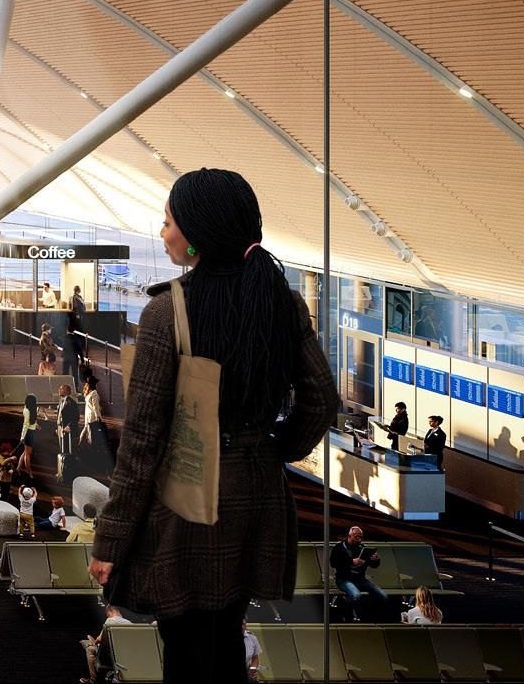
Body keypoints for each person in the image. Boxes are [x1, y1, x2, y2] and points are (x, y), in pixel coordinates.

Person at [88, 169, 339, 684]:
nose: (162, 234)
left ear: (198, 231)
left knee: (185, 640)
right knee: (226, 630)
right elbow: (321, 401)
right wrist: (274, 448)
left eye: (168, 223)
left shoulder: (167, 312)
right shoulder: (280, 301)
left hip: (189, 500)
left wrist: (109, 543)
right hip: (256, 494)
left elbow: (142, 444)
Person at [331, 525, 388, 620]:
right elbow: (333, 563)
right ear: (349, 535)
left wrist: (376, 560)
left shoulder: (363, 548)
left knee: (382, 595)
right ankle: (344, 614)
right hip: (344, 579)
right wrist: (351, 562)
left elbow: (374, 566)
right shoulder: (339, 548)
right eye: (356, 536)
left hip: (360, 579)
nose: (359, 539)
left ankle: (371, 616)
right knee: (355, 595)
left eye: (360, 537)